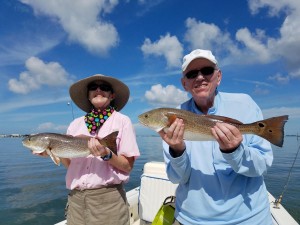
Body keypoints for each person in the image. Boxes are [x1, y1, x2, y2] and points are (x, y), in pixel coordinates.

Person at [158, 49, 273, 225]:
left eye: (207, 71)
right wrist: (177, 150)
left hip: (249, 219)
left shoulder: (245, 104)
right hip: (191, 219)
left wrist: (235, 151)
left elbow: (262, 166)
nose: (199, 77)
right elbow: (177, 178)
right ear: (184, 84)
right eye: (191, 73)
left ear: (218, 76)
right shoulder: (173, 118)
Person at [61, 74, 140, 225]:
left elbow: (128, 166)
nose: (98, 90)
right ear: (88, 96)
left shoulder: (122, 121)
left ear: (112, 95)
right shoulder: (74, 125)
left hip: (108, 203)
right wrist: (53, 151)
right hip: (76, 202)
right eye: (93, 88)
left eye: (104, 88)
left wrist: (106, 154)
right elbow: (70, 166)